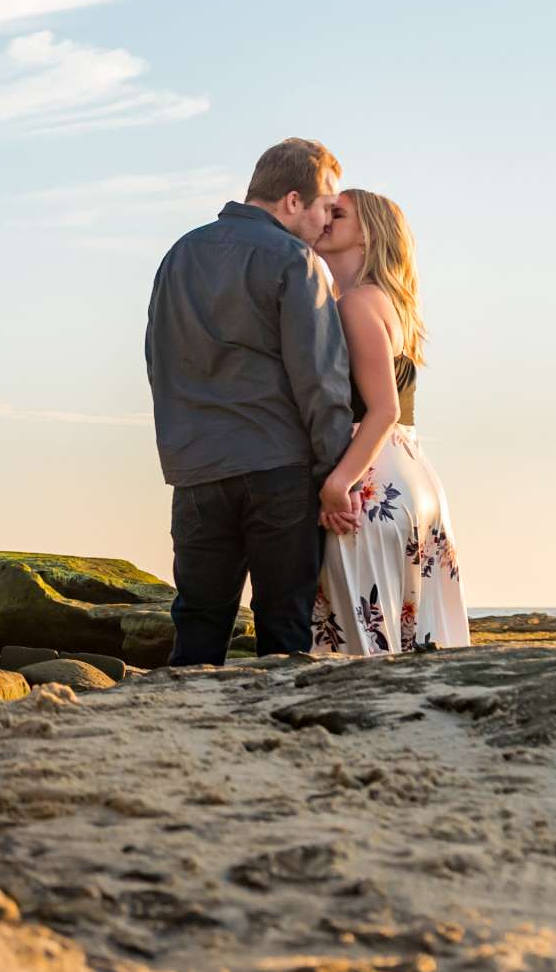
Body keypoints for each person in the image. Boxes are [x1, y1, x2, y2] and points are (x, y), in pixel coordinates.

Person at [145, 139, 355, 665]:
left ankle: (183, 737)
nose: (327, 218)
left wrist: (179, 446)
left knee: (197, 621)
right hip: (277, 469)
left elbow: (158, 358)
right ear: (291, 201)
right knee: (283, 628)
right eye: (324, 205)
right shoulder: (294, 260)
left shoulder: (180, 253)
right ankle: (276, 745)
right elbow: (322, 381)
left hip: (195, 468)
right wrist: (334, 476)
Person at [308, 188, 470, 654]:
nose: (323, 218)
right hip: (412, 476)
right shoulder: (388, 303)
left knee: (360, 650)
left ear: (369, 233)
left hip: (371, 482)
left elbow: (383, 409)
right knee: (412, 645)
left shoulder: (356, 304)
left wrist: (337, 484)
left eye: (337, 213)